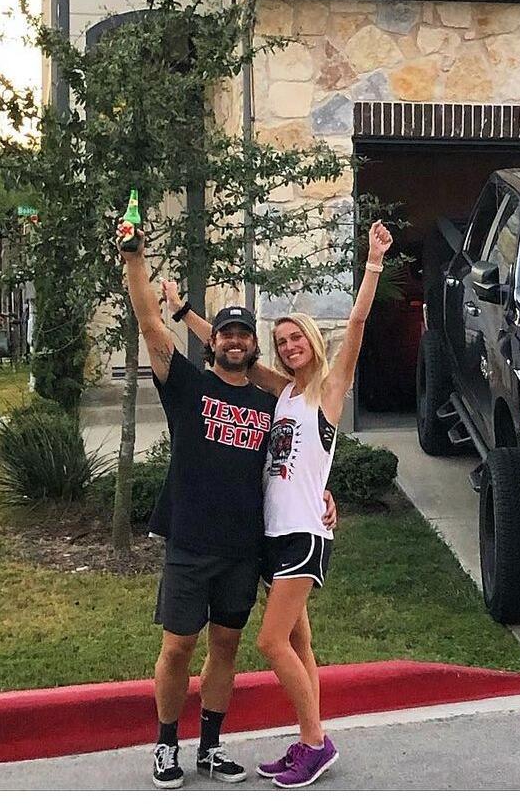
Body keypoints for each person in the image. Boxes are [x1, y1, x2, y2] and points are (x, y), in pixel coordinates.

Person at [164, 219, 393, 789]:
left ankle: (314, 744)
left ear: (314, 343)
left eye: (299, 339)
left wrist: (373, 262)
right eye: (284, 340)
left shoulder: (329, 388)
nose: (291, 347)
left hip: (302, 537)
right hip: (274, 533)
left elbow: (359, 323)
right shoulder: (283, 390)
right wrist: (183, 311)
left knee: (268, 642)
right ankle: (312, 737)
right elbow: (227, 350)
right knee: (299, 643)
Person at [120, 235, 336, 790]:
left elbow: (302, 452)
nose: (235, 342)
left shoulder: (273, 399)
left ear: (251, 347)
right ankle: (166, 745)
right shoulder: (187, 384)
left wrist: (323, 498)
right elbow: (149, 322)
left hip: (245, 547)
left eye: (244, 335)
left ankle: (211, 747)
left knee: (226, 647)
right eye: (226, 334)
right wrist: (135, 260)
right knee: (177, 647)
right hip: (190, 541)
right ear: (212, 342)